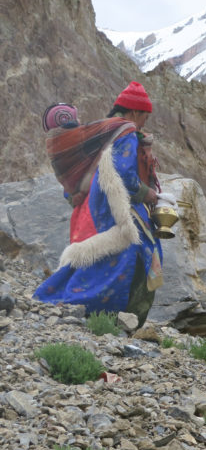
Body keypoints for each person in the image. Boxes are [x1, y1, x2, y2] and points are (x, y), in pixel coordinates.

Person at [35, 82, 164, 325]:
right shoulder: (125, 131)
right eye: (145, 115)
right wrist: (148, 193)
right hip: (118, 211)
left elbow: (74, 188)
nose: (145, 121)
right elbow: (125, 176)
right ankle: (117, 318)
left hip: (92, 213)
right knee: (138, 256)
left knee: (94, 261)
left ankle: (63, 301)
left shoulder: (102, 133)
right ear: (135, 112)